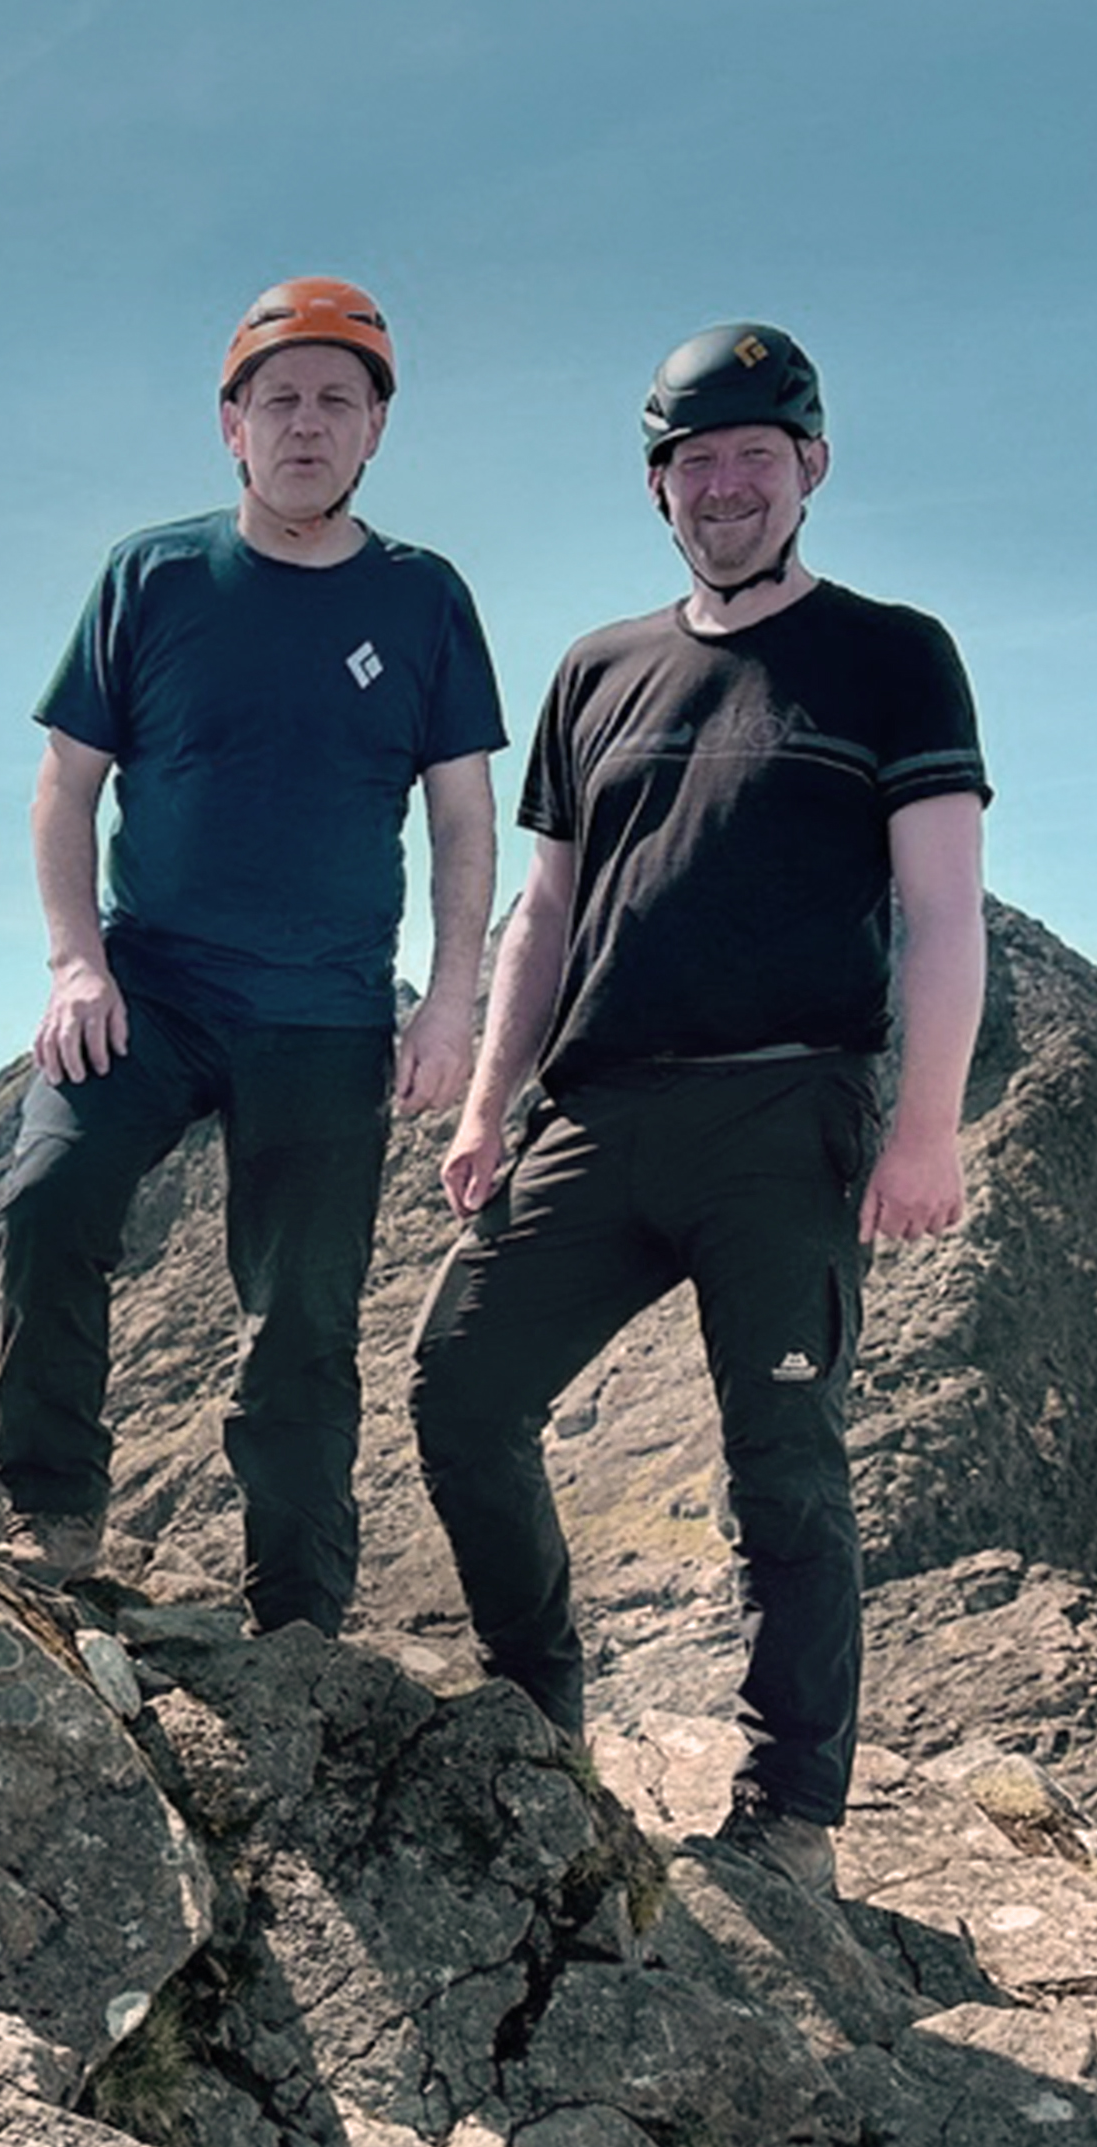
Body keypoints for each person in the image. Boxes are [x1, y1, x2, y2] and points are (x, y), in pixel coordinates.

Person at [410, 320, 989, 1897]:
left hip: (782, 1113)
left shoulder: (893, 653)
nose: (724, 485)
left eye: (754, 454)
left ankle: (791, 1814)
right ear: (658, 485)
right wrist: (487, 1103)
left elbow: (944, 912)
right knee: (459, 1391)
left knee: (782, 1465)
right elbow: (546, 914)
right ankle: (542, 1705)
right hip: (595, 1114)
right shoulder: (595, 670)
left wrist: (923, 1125)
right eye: (693, 461)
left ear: (811, 466)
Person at [0, 276, 505, 1633]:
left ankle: (297, 1621)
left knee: (303, 1324)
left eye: (340, 399)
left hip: (327, 1014)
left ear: (377, 431)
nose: (307, 424)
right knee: (50, 1197)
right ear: (232, 424)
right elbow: (65, 786)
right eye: (279, 398)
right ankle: (47, 1507)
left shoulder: (423, 600)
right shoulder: (151, 577)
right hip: (149, 985)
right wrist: (74, 965)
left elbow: (463, 821)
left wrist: (452, 1004)